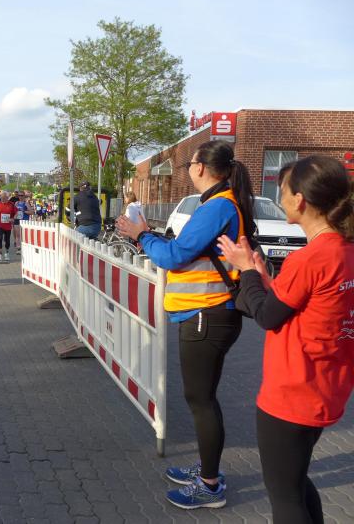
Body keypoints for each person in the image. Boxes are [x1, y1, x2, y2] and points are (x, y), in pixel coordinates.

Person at [116, 140, 258, 510]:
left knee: (200, 399)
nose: (189, 168)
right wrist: (150, 236)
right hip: (208, 314)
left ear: (200, 168)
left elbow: (175, 256)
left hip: (206, 315)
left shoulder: (217, 206)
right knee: (202, 397)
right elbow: (189, 251)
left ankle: (210, 485)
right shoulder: (220, 203)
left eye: (190, 164)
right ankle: (208, 468)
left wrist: (140, 235)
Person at [217, 156, 354, 523]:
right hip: (327, 389)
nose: (279, 198)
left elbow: (267, 316)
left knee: (285, 497)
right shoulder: (344, 251)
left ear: (300, 200)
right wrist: (264, 279)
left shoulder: (309, 259)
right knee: (295, 483)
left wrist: (247, 270)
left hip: (292, 395)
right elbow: (299, 305)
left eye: (282, 191)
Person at [0, 190, 17, 263]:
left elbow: (16, 213)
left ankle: (7, 253)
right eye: (1, 197)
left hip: (8, 225)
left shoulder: (11, 204)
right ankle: (0, 254)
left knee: (7, 240)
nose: (2, 199)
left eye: (4, 197)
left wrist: (13, 219)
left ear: (7, 197)